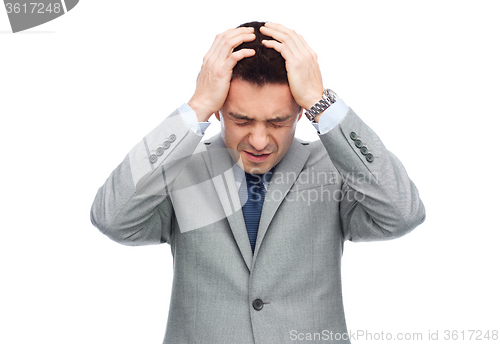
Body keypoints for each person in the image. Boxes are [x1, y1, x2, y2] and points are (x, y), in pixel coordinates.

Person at [91, 21, 425, 344]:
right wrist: (197, 107)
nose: (259, 140)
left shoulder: (337, 170)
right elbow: (113, 219)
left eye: (278, 121)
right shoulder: (179, 170)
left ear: (299, 113)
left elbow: (402, 214)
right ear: (220, 110)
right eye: (241, 119)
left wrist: (321, 102)